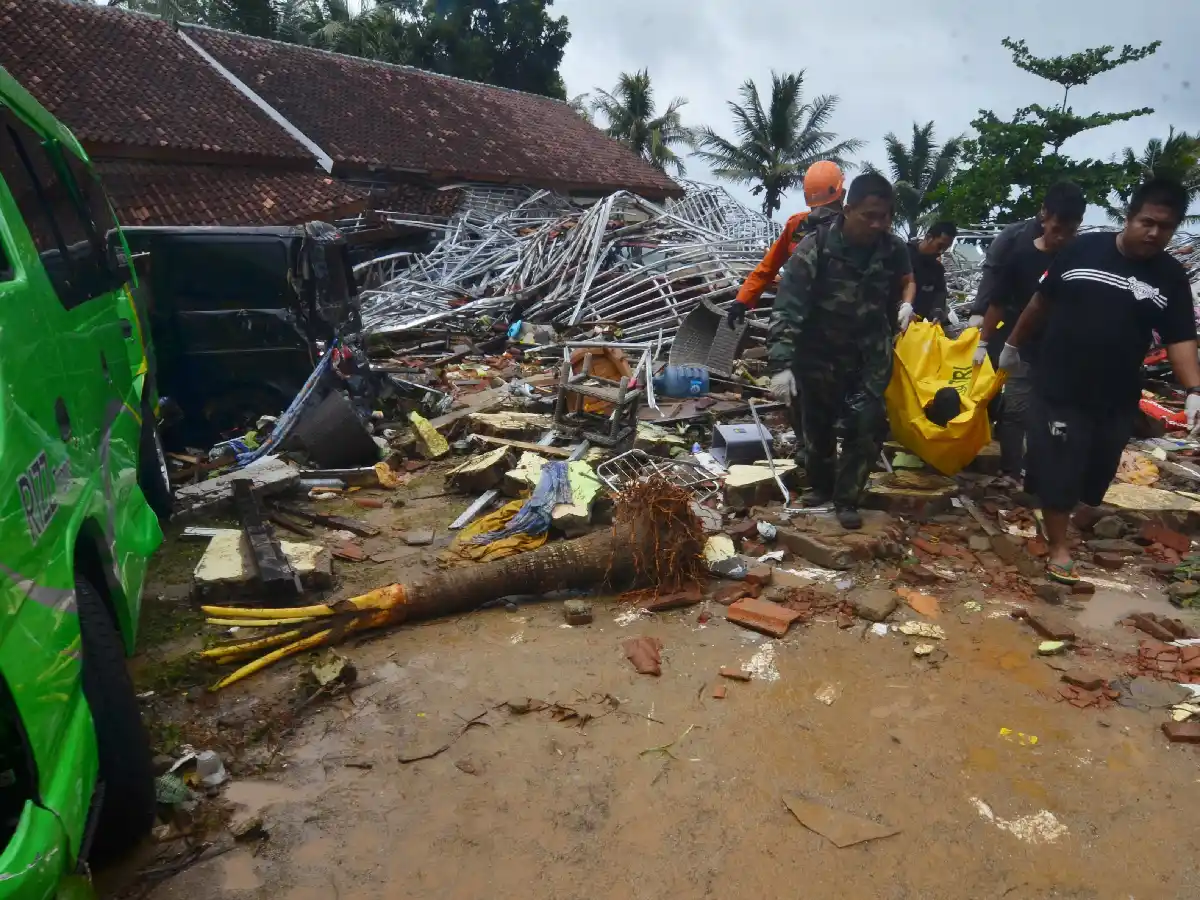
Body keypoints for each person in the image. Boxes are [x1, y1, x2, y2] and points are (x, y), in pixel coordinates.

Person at [999, 177, 1200, 584]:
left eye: (1165, 227)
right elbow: (1041, 302)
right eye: (1147, 222)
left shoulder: (1170, 277)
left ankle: (1078, 509)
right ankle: (1058, 546)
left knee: (1098, 475)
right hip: (1059, 385)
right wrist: (1013, 346)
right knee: (1060, 466)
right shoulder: (1081, 249)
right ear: (1128, 217)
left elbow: (1180, 338)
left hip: (1116, 394)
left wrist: (1193, 389)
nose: (1154, 233)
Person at [767, 171, 916, 530]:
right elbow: (789, 306)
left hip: (868, 356)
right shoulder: (815, 248)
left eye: (885, 216)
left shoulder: (892, 248)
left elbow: (906, 280)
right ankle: (821, 487)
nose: (878, 224)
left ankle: (847, 498)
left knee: (866, 424)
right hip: (819, 354)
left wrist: (906, 304)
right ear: (848, 210)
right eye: (870, 216)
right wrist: (781, 364)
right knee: (816, 427)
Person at [973, 183, 1086, 480]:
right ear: (1044, 216)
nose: (1062, 237)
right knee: (1016, 410)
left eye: (1071, 231)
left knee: (1056, 413)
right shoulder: (1021, 255)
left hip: (1061, 350)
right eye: (1057, 228)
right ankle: (1012, 469)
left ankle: (1047, 468)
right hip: (1019, 345)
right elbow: (997, 302)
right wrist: (983, 342)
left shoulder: (1080, 259)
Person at [725, 160, 846, 329]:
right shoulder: (796, 226)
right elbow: (767, 268)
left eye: (828, 207)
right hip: (798, 320)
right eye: (816, 208)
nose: (821, 213)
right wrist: (742, 300)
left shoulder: (854, 229)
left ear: (842, 195)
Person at [907, 221, 957, 324]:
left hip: (921, 325)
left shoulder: (937, 269)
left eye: (945, 248)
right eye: (940, 246)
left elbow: (940, 292)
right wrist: (904, 308)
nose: (941, 252)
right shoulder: (903, 255)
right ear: (929, 237)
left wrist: (937, 311)